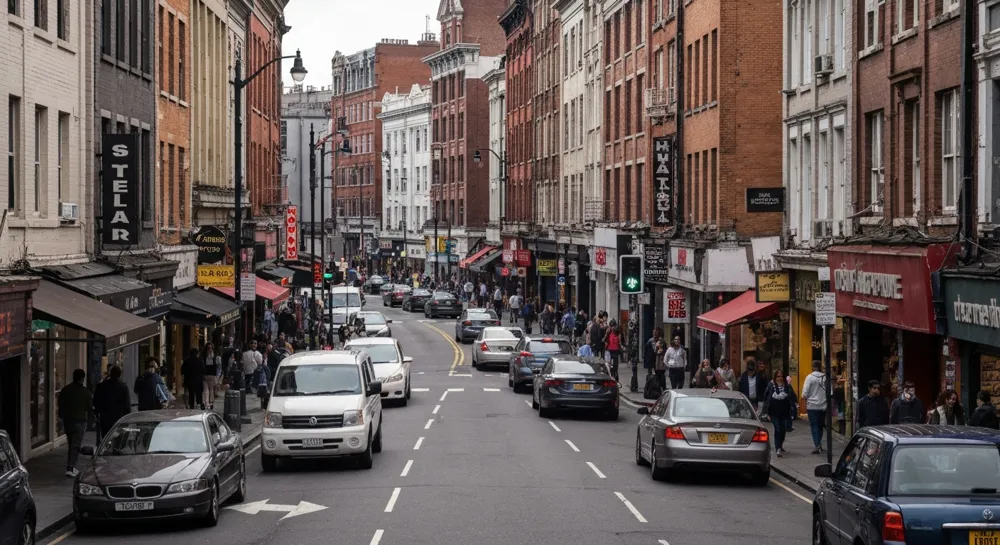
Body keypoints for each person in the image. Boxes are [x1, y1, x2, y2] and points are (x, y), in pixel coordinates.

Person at [58, 368, 92, 477]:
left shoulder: (66, 389)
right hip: (80, 420)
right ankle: (70, 467)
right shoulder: (85, 392)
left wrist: (61, 416)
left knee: (71, 443)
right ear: (82, 378)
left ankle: (71, 466)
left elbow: (60, 403)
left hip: (68, 420)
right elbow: (89, 407)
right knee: (76, 445)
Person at [762, 371, 796, 457]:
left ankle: (780, 445)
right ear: (775, 377)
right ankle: (778, 449)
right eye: (778, 376)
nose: (780, 378)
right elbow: (766, 399)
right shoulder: (770, 386)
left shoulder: (788, 387)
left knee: (783, 430)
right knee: (777, 429)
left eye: (781, 376)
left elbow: (792, 399)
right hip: (774, 413)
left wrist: (793, 411)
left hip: (785, 413)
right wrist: (765, 412)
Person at [93, 365, 130, 441]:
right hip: (119, 417)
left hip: (105, 417)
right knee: (118, 438)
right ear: (120, 375)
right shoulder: (123, 386)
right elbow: (127, 404)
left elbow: (95, 401)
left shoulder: (101, 386)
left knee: (105, 437)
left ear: (111, 374)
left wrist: (97, 412)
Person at [801, 360, 829, 454]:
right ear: (820, 366)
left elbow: (804, 393)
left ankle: (817, 445)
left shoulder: (809, 377)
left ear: (812, 367)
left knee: (814, 426)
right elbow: (830, 392)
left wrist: (806, 398)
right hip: (823, 405)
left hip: (812, 406)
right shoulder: (825, 378)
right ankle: (819, 444)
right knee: (820, 425)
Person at [202, 343, 221, 408]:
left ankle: (210, 403)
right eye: (208, 348)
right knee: (206, 389)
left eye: (211, 348)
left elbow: (218, 368)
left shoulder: (215, 357)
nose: (210, 349)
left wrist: (217, 377)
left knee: (210, 389)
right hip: (205, 375)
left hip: (212, 375)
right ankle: (207, 403)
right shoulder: (204, 357)